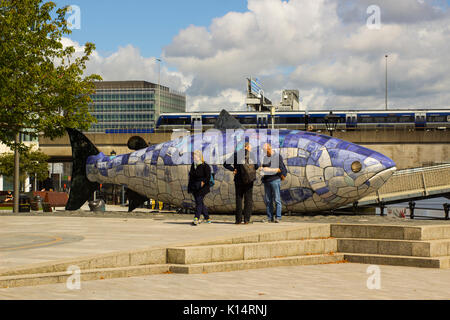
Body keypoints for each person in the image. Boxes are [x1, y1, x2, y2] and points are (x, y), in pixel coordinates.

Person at [224, 141, 259, 224]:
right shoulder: (252, 155)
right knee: (248, 200)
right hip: (248, 180)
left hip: (238, 180)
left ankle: (238, 220)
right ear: (247, 147)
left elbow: (225, 164)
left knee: (239, 199)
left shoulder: (236, 154)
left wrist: (234, 169)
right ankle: (247, 220)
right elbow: (256, 166)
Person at [259, 143, 287, 223]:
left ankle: (278, 217)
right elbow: (264, 167)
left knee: (277, 199)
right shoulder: (265, 157)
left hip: (275, 179)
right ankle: (269, 217)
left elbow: (280, 169)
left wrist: (269, 169)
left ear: (269, 149)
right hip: (266, 180)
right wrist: (262, 169)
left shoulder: (277, 156)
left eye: (264, 150)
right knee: (268, 200)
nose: (264, 152)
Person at [187, 150, 212, 226]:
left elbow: (208, 177)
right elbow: (191, 177)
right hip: (195, 186)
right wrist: (190, 187)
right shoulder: (193, 165)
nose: (194, 157)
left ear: (200, 156)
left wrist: (203, 182)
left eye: (196, 156)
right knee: (200, 202)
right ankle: (207, 218)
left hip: (202, 187)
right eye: (193, 156)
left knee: (198, 201)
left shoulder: (205, 166)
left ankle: (196, 218)